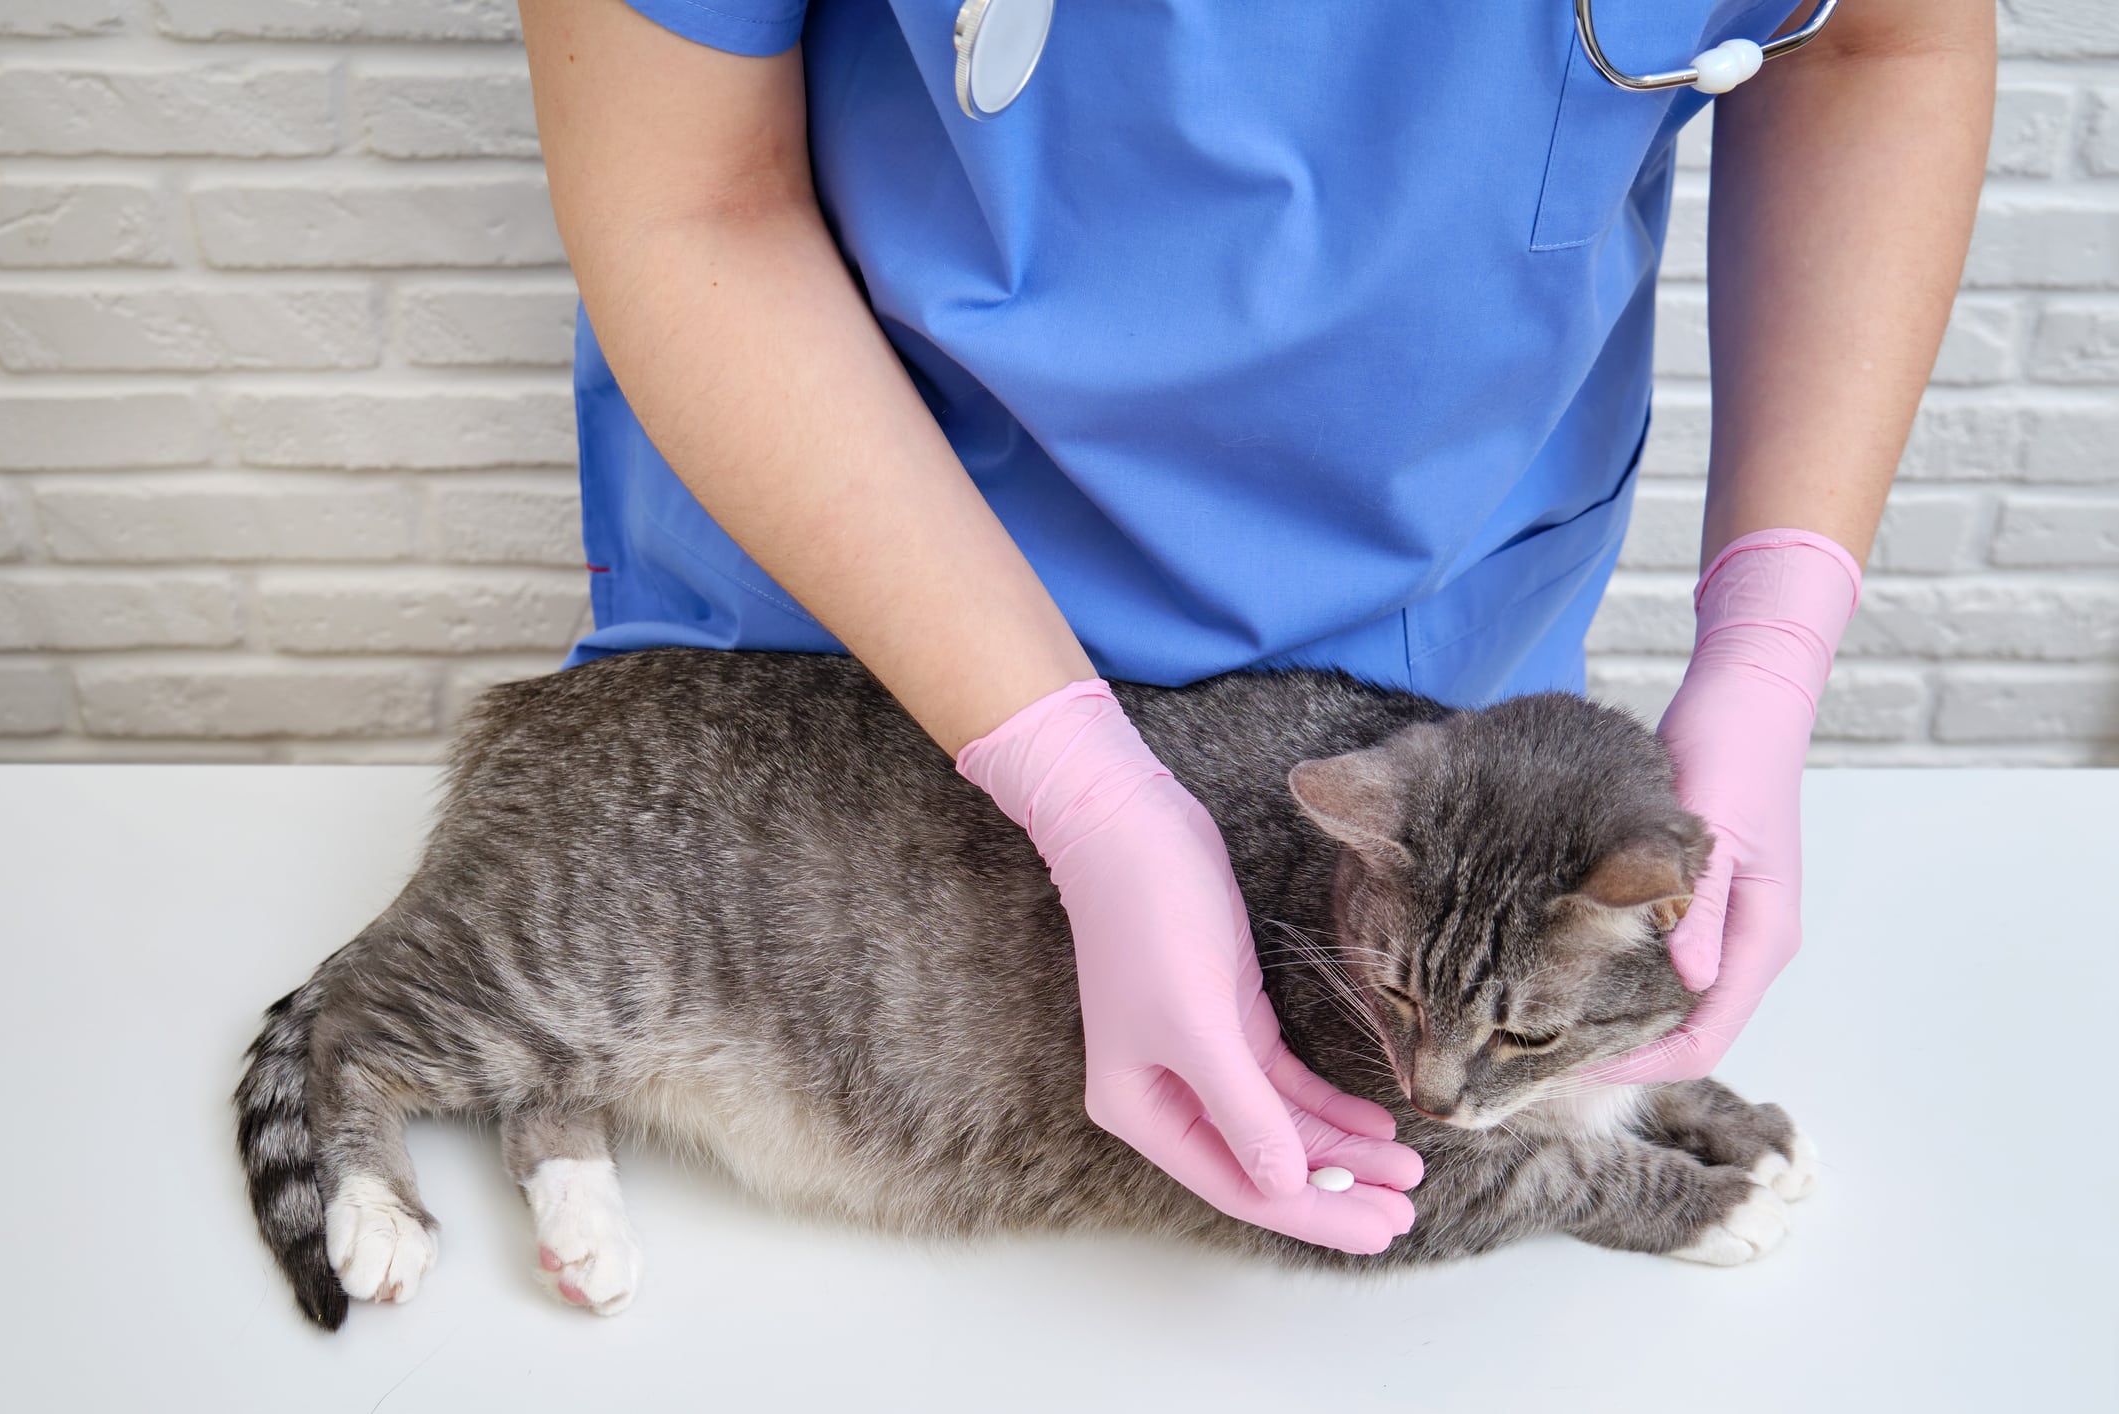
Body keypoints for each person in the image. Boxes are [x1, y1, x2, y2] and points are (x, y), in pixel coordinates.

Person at [515, 0, 1994, 1256]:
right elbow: (685, 187)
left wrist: (1775, 627)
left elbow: (1878, 44)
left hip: (1409, 751)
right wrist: (1074, 781)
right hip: (858, 714)